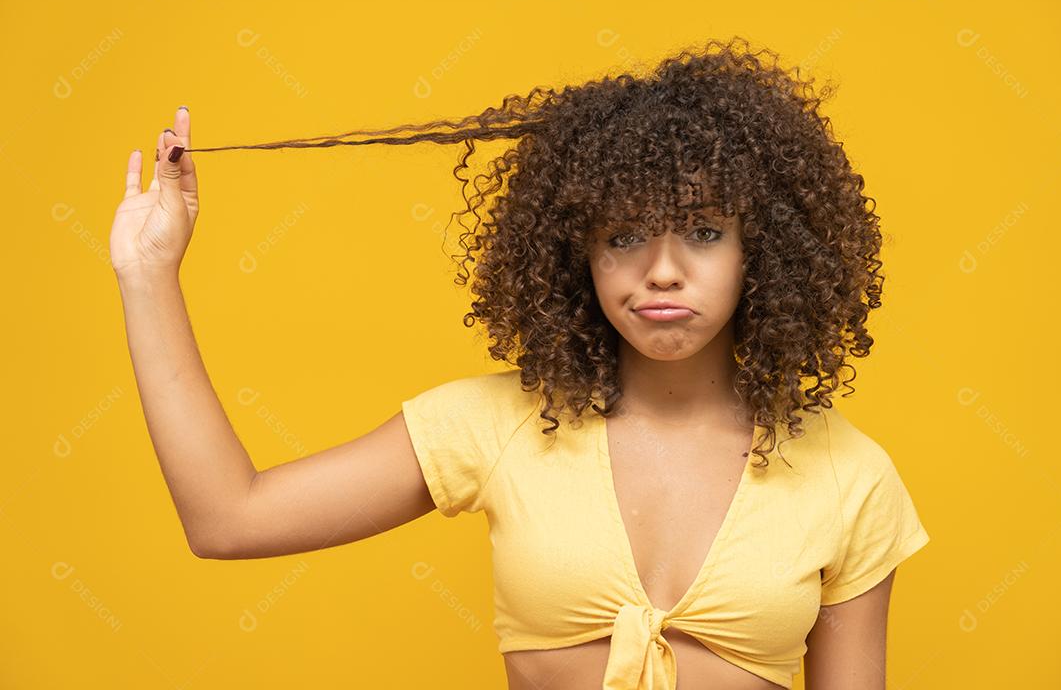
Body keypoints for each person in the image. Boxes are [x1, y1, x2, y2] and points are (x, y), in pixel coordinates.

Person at [111, 37, 930, 690]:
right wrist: (147, 273)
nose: (663, 269)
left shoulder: (850, 476)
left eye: (706, 232)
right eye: (623, 235)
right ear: (578, 254)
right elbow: (228, 519)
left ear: (766, 251)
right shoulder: (494, 425)